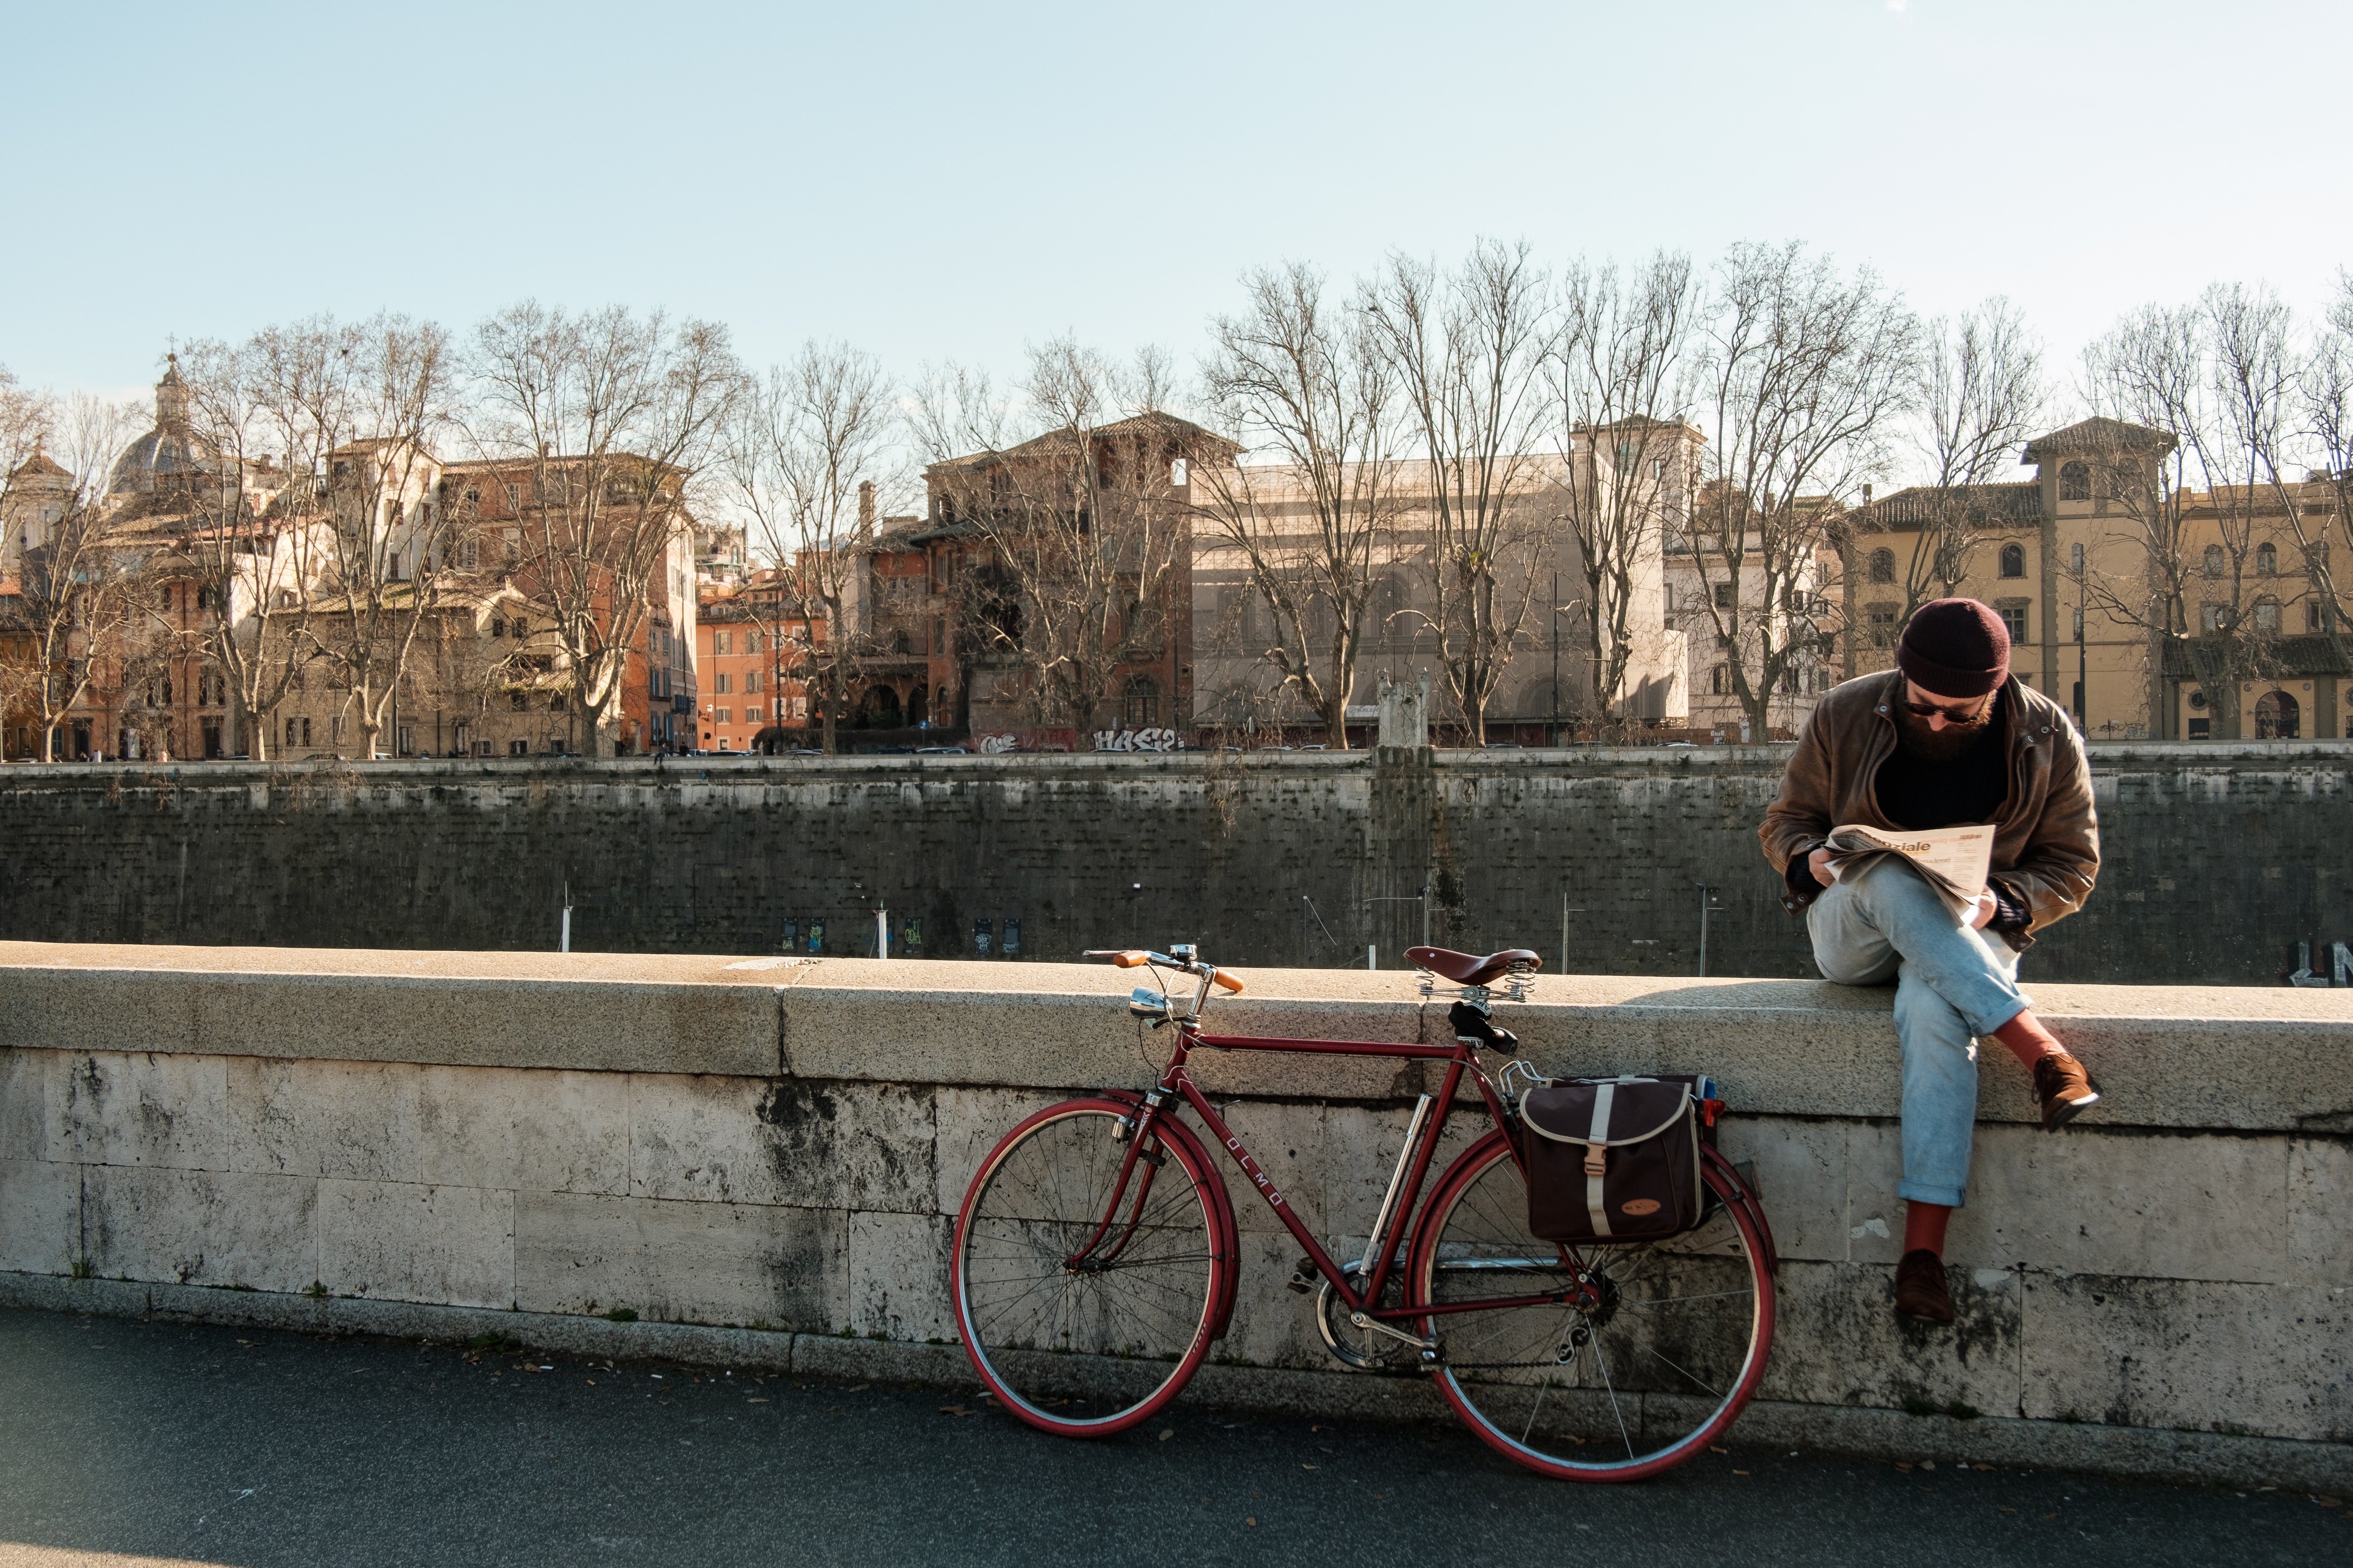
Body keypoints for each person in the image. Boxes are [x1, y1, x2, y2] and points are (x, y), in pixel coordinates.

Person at [1761, 598, 2102, 1324]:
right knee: (1884, 871)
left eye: (1961, 710)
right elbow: (1786, 820)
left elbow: (2073, 865)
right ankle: (2035, 1046)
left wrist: (1999, 905)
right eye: (1924, 708)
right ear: (1903, 681)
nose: (1940, 721)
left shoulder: (2047, 732)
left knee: (1930, 1004)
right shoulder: (1845, 710)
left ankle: (1922, 1258)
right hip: (1854, 928)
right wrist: (1813, 861)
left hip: (1966, 932)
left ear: (1996, 690)